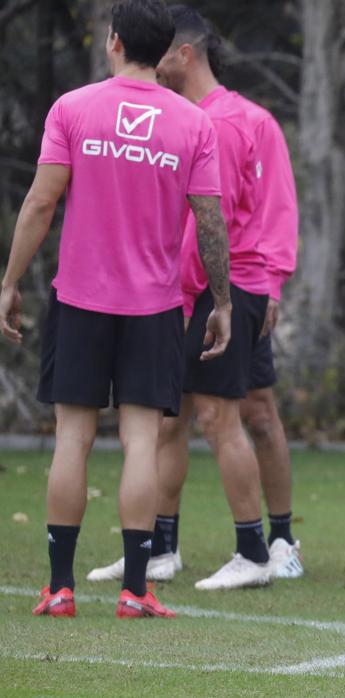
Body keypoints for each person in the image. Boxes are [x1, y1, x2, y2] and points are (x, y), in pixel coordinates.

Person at [0, 0, 231, 618]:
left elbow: (42, 202)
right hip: (154, 307)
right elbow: (211, 220)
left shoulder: (72, 108)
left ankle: (60, 587)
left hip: (79, 300)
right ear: (164, 51)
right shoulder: (192, 123)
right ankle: (135, 589)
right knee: (139, 442)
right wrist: (224, 301)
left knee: (71, 440)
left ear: (114, 42)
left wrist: (9, 281)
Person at [86, 5, 303, 589]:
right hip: (209, 288)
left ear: (184, 55)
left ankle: (256, 549)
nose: (147, 65)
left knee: (221, 416)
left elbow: (212, 223)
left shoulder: (223, 123)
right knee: (169, 421)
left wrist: (190, 293)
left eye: (159, 55)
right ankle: (161, 547)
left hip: (216, 289)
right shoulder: (194, 117)